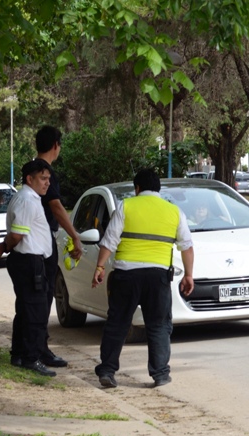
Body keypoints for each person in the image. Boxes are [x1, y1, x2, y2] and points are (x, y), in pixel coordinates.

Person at [92, 168, 194, 388]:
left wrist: (99, 267)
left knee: (117, 324)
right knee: (158, 325)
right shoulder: (174, 211)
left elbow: (109, 240)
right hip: (157, 277)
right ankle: (160, 374)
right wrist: (188, 275)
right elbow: (186, 246)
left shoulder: (126, 206)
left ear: (137, 188)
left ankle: (108, 371)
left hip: (126, 275)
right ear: (158, 189)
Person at [0, 160, 56, 377]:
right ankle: (31, 358)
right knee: (36, 312)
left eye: (48, 179)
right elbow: (17, 235)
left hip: (28, 260)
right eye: (43, 179)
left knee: (25, 310)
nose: (47, 183)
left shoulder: (28, 198)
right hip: (29, 261)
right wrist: (6, 245)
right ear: (30, 179)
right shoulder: (28, 199)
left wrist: (3, 246)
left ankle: (19, 354)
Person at [34, 125, 83, 369]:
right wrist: (74, 235)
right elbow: (55, 206)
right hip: (42, 241)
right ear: (56, 145)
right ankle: (40, 351)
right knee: (42, 296)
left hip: (40, 240)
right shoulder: (46, 172)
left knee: (40, 296)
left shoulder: (35, 170)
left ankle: (36, 348)